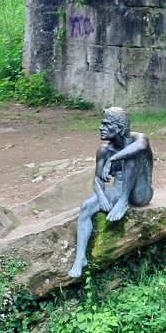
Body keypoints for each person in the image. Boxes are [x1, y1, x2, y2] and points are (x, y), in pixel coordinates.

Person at [68, 107, 153, 278]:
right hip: (118, 189)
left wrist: (114, 159)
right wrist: (100, 195)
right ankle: (80, 258)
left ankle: (123, 202)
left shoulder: (139, 139)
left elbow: (140, 146)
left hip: (140, 193)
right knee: (86, 207)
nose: (101, 128)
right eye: (102, 124)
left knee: (130, 155)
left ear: (120, 127)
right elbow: (98, 179)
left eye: (106, 125)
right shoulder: (104, 150)